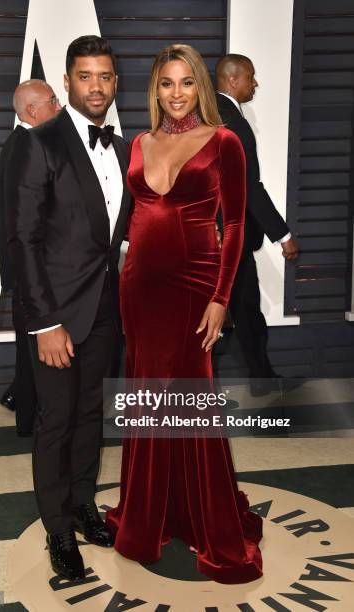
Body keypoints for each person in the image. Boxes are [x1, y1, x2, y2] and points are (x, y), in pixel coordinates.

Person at [106, 44, 263, 584]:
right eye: (167, 84)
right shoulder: (138, 143)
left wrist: (221, 297)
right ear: (156, 89)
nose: (176, 94)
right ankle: (149, 516)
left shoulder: (224, 142)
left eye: (186, 83)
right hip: (140, 291)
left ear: (200, 86)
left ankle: (210, 522)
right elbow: (133, 219)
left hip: (197, 289)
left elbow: (237, 226)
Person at [5, 36, 131, 581]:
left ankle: (83, 505)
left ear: (115, 82)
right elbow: (22, 241)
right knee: (55, 423)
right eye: (85, 77)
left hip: (105, 308)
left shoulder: (126, 148)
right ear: (67, 81)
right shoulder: (40, 142)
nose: (96, 86)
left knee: (87, 418)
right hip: (55, 315)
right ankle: (58, 530)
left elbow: (115, 234)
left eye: (104, 76)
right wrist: (46, 324)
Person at [215, 54, 299, 395]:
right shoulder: (231, 121)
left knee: (242, 312)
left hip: (221, 237)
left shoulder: (213, 113)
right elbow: (249, 185)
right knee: (240, 312)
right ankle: (259, 381)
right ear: (233, 80)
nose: (256, 83)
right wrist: (284, 235)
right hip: (228, 239)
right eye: (251, 76)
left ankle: (261, 379)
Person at [0, 79, 61, 434]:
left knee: (30, 348)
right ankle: (30, 420)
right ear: (33, 110)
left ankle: (25, 410)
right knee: (32, 349)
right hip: (28, 267)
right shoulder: (27, 146)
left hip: (24, 266)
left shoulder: (19, 144)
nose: (60, 106)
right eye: (54, 100)